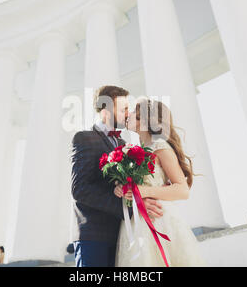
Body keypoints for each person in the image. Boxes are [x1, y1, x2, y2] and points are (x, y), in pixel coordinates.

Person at [70, 86, 164, 267]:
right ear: (106, 112)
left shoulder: (124, 144)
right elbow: (80, 189)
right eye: (123, 110)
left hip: (122, 235)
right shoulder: (84, 138)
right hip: (94, 235)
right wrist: (129, 209)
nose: (128, 114)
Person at [113, 97, 208, 266]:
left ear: (145, 119)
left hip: (159, 219)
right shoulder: (133, 150)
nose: (128, 115)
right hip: (135, 222)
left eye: (134, 111)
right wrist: (122, 188)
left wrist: (144, 191)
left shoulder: (160, 146)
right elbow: (134, 186)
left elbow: (182, 190)